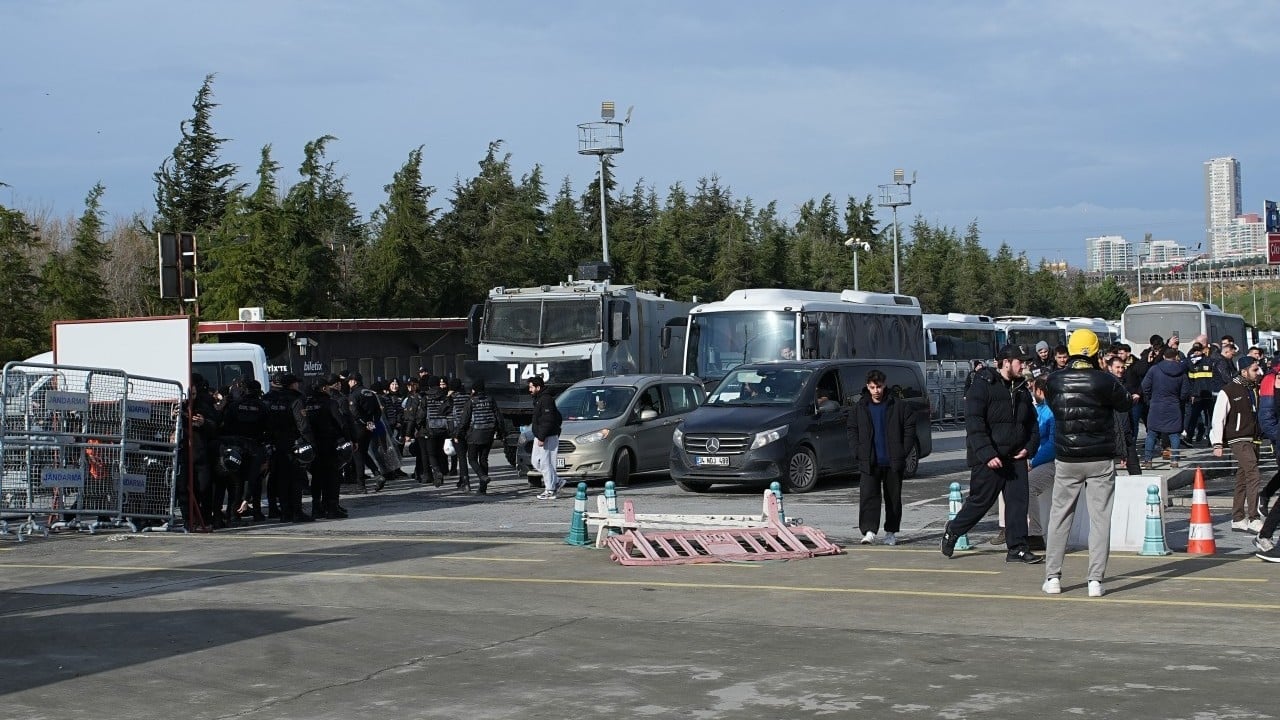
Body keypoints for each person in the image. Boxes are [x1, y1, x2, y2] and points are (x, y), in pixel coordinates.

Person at [1041, 329, 1132, 597]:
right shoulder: (1104, 380)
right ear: (1095, 352)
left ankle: (1053, 577)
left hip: (1067, 457)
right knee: (1100, 518)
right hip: (1100, 458)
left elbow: (1055, 409)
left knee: (1059, 517)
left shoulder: (1054, 381)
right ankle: (1095, 580)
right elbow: (1124, 403)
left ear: (1069, 350)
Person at [941, 344, 1041, 564]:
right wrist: (987, 453)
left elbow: (1033, 424)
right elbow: (975, 423)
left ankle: (1017, 548)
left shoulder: (1021, 388)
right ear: (1006, 362)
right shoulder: (982, 386)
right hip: (989, 458)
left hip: (1015, 457)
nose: (1023, 366)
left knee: (1017, 503)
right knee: (981, 501)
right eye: (1019, 362)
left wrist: (1029, 447)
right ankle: (953, 530)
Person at [848, 369, 916, 546]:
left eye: (879, 386)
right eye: (872, 387)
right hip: (869, 461)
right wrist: (857, 451)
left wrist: (903, 452)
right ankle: (869, 532)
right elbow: (852, 430)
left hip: (893, 461)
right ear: (867, 387)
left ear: (884, 385)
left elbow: (909, 429)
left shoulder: (898, 406)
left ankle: (891, 533)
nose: (876, 390)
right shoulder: (860, 407)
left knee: (893, 499)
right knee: (868, 497)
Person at [1210, 356, 1265, 534]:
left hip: (1253, 438)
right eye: (1255, 370)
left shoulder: (1254, 388)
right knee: (1253, 473)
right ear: (1243, 371)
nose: (1258, 373)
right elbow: (1218, 417)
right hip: (1238, 438)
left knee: (1242, 478)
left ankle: (1238, 518)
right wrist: (1217, 443)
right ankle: (1254, 518)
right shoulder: (1229, 390)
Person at [1141, 347, 1191, 468]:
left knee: (1152, 433)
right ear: (1176, 357)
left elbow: (1145, 386)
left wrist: (1150, 398)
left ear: (1164, 356)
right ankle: (1174, 460)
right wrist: (1178, 400)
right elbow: (1185, 392)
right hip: (1174, 405)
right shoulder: (1182, 372)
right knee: (1174, 434)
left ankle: (1148, 460)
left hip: (1156, 404)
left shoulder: (1154, 369)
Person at [1026, 376, 1054, 551]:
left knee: (1028, 485)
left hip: (1051, 461)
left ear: (1039, 391)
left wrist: (1033, 462)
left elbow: (1052, 446)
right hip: (1036, 459)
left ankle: (1035, 534)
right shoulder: (1039, 410)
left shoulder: (1051, 412)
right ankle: (1008, 528)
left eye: (1032, 390)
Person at [529, 375, 563, 500]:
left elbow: (548, 419)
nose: (530, 390)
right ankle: (557, 481)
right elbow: (557, 416)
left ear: (538, 387)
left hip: (546, 436)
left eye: (532, 387)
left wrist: (543, 436)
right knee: (535, 461)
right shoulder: (539, 399)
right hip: (540, 435)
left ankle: (550, 490)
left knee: (546, 463)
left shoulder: (546, 399)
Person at [1106, 355, 1142, 475]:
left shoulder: (1124, 383)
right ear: (1110, 368)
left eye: (1122, 367)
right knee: (1107, 468)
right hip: (1113, 431)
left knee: (1134, 466)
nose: (1120, 370)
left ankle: (1139, 489)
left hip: (1126, 430)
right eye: (1117, 367)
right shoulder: (1107, 384)